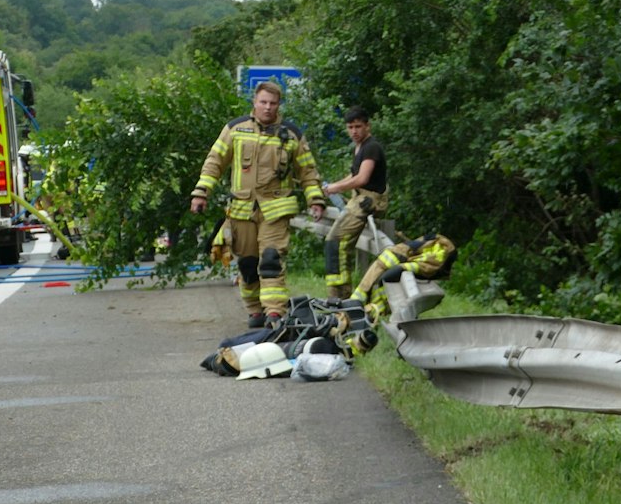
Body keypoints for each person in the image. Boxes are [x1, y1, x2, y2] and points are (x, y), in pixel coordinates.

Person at [188, 81, 325, 328]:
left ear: (278, 105)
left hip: (276, 209)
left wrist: (315, 199)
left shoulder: (291, 134)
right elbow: (214, 161)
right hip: (242, 210)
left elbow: (308, 171)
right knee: (248, 264)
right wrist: (201, 192)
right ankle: (255, 311)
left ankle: (275, 312)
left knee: (271, 259)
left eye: (273, 103)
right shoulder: (235, 129)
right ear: (254, 102)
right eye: (263, 102)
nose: (268, 108)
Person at [320, 106, 388, 300]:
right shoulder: (360, 147)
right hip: (358, 199)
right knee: (334, 243)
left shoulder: (371, 147)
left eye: (358, 126)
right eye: (350, 127)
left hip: (368, 201)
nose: (354, 131)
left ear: (367, 126)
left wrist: (336, 188)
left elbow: (362, 179)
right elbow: (354, 175)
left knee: (336, 242)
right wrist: (334, 185)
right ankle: (337, 295)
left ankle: (341, 296)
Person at [354, 233, 457, 322]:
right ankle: (368, 315)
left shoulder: (435, 246)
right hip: (391, 265)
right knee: (371, 294)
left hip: (391, 257)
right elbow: (400, 269)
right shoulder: (432, 264)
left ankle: (357, 312)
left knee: (363, 292)